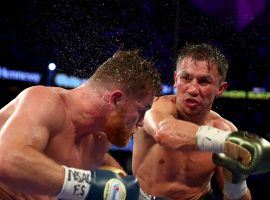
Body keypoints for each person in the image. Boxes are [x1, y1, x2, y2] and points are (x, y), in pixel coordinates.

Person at [0, 50, 162, 200]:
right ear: (116, 99)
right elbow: (5, 160)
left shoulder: (99, 139)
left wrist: (133, 194)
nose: (141, 122)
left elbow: (101, 163)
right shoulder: (44, 102)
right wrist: (86, 185)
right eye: (142, 110)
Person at [132, 43, 252, 200]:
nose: (193, 90)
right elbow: (164, 132)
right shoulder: (155, 107)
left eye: (204, 81)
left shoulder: (225, 129)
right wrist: (226, 142)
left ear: (220, 88)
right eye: (186, 78)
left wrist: (238, 182)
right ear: (176, 79)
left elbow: (233, 197)